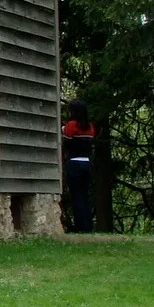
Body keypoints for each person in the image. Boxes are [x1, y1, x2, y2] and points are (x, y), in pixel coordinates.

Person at [62, 99, 96, 233]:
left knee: (76, 195)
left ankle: (80, 226)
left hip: (74, 163)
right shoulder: (90, 127)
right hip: (86, 162)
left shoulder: (71, 125)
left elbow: (66, 138)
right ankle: (88, 225)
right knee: (85, 194)